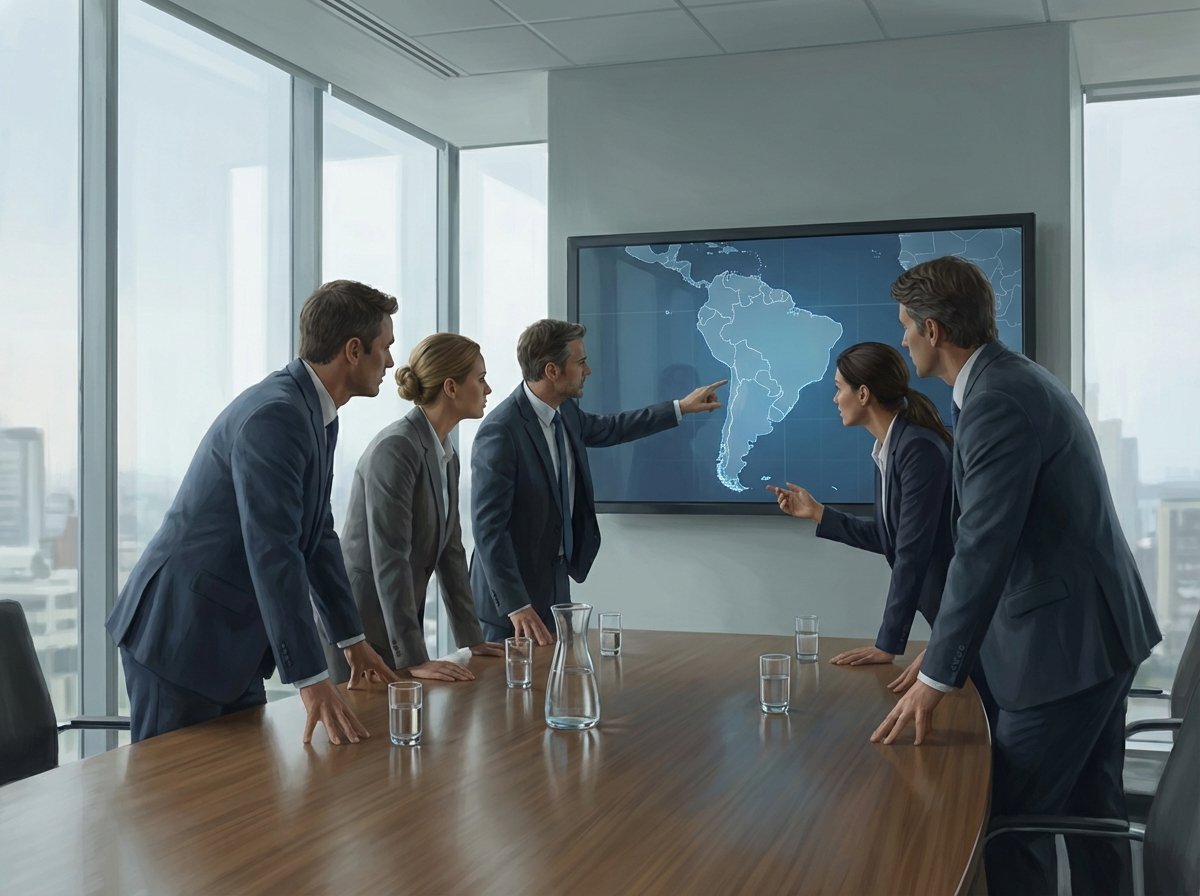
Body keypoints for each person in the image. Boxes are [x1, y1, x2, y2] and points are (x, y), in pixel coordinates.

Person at [870, 256, 1160, 896]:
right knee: (1093, 817)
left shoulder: (996, 399)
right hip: (1096, 634)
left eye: (906, 327)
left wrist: (942, 672)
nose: (903, 340)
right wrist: (940, 649)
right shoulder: (1010, 380)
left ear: (935, 331)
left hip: (1063, 649)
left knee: (1010, 825)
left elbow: (983, 545)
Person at [107, 280, 401, 745]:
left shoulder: (317, 413)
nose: (390, 361)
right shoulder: (277, 415)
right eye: (385, 347)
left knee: (245, 801)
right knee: (177, 806)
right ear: (352, 350)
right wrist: (310, 677)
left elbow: (317, 536)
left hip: (232, 644)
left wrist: (351, 640)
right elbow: (274, 550)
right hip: (181, 637)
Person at [469, 319, 725, 644]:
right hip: (509, 604)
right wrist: (516, 604)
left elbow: (612, 427)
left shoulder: (566, 413)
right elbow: (489, 529)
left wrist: (680, 408)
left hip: (554, 586)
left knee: (551, 686)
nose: (587, 370)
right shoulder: (502, 431)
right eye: (580, 362)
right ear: (552, 371)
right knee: (504, 692)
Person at [324, 333, 504, 685]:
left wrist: (473, 639)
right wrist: (415, 658)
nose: (489, 389)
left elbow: (451, 552)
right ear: (450, 387)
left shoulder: (444, 453)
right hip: (360, 633)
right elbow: (390, 560)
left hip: (394, 627)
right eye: (480, 379)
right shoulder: (396, 450)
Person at [768, 341, 954, 673]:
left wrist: (888, 644)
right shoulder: (890, 446)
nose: (835, 398)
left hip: (969, 621)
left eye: (839, 389)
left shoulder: (917, 449)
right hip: (946, 618)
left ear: (864, 394)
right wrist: (817, 512)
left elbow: (911, 553)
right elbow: (894, 537)